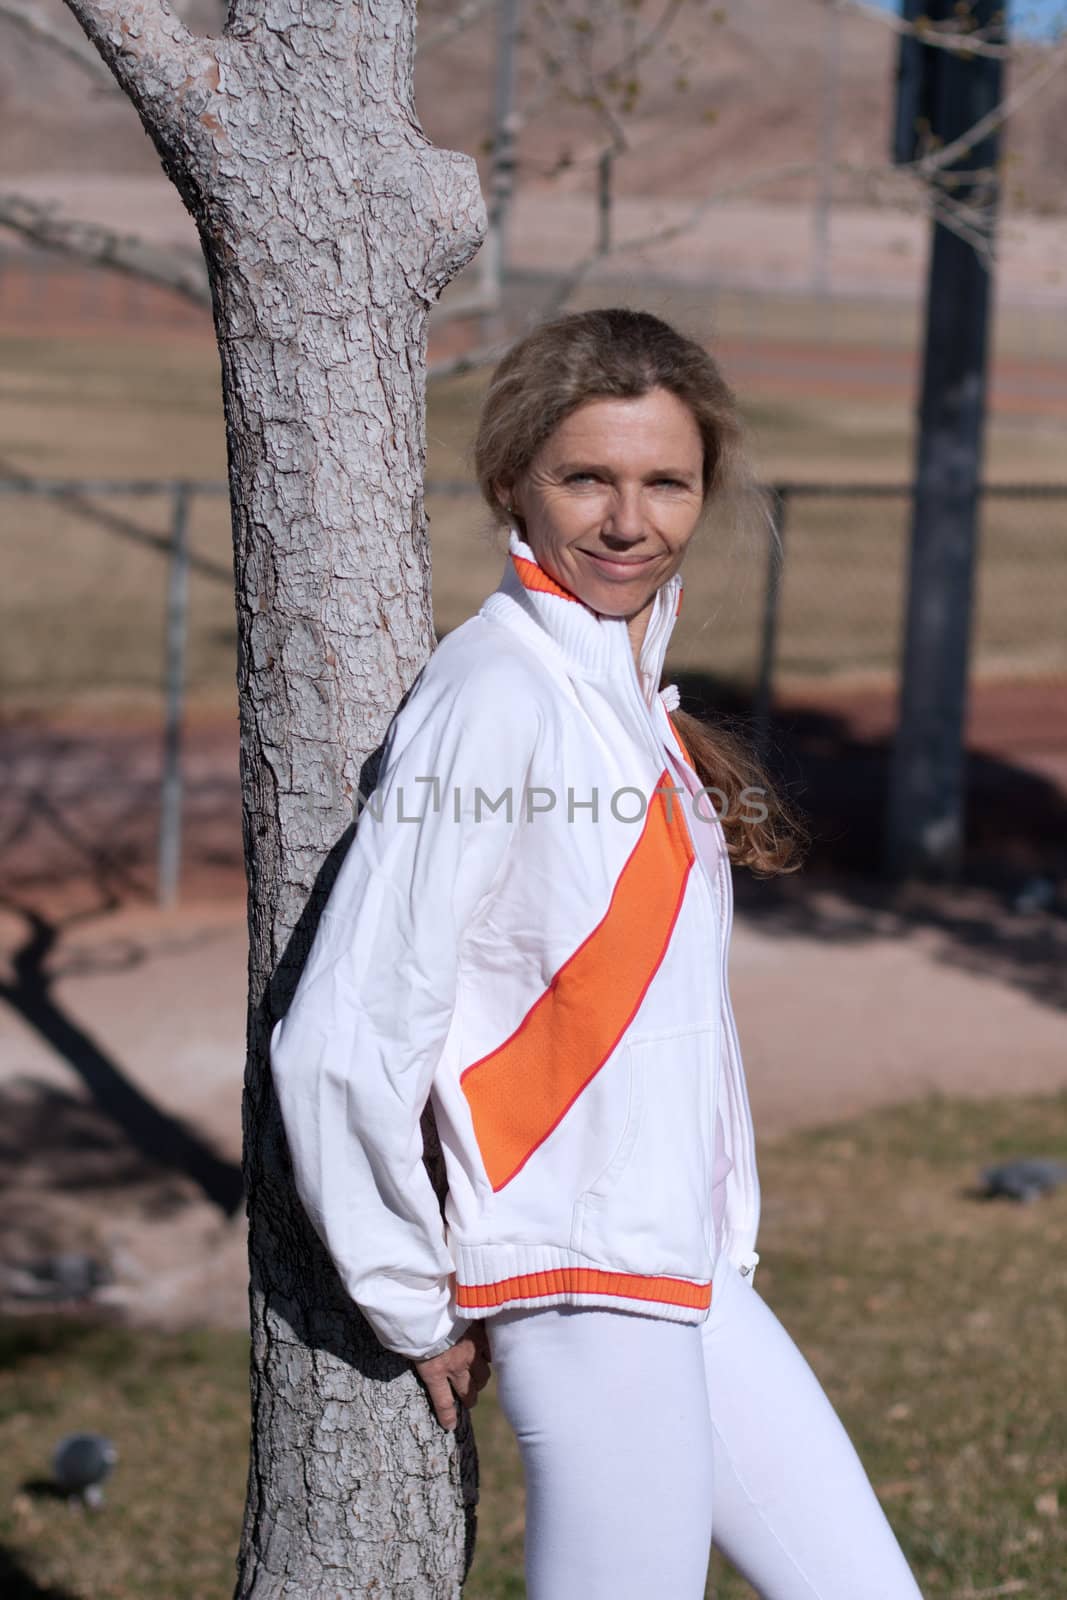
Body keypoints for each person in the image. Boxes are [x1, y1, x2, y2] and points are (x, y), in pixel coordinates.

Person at [269, 308, 926, 1599]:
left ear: (704, 491)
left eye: (664, 482)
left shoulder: (627, 701)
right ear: (516, 480)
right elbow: (341, 1034)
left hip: (678, 1266)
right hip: (581, 1279)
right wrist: (410, 1296)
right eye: (588, 479)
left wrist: (724, 1235)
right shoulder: (497, 692)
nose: (629, 522)